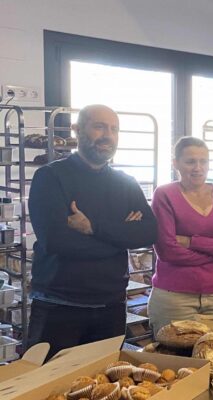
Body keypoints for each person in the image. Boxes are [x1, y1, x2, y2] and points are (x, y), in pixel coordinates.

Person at [27, 104, 158, 359]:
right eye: (99, 126)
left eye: (114, 129)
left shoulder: (126, 183)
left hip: (111, 307)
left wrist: (92, 227)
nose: (108, 135)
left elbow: (148, 233)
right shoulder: (50, 178)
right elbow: (56, 242)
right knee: (48, 390)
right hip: (59, 307)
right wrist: (120, 237)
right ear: (77, 130)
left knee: (105, 386)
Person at [147, 137, 213, 334]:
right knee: (173, 360)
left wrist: (191, 242)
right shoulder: (165, 195)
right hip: (174, 297)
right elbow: (168, 252)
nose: (198, 168)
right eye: (190, 161)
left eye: (203, 161)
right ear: (175, 163)